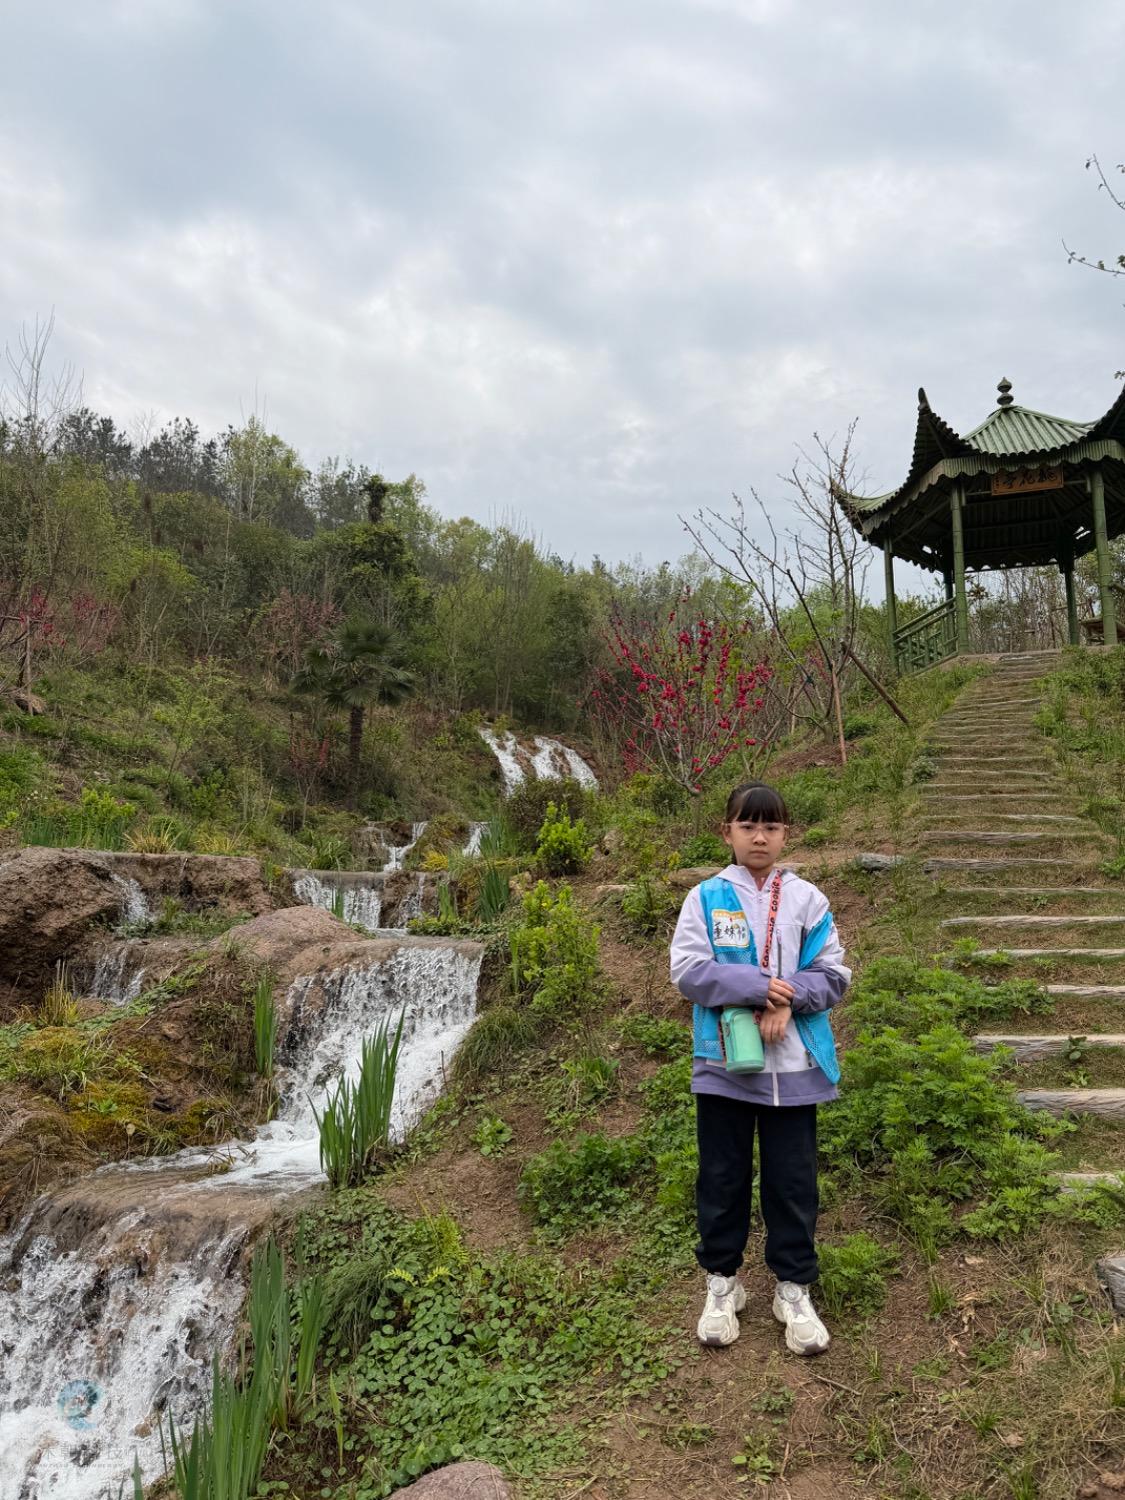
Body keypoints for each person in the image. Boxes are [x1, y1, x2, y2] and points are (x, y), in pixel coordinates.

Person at [670, 780, 850, 1355]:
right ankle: (723, 1284)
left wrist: (789, 998)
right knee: (721, 1178)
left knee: (792, 1183)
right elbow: (688, 970)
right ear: (726, 832)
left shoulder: (807, 900)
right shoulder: (704, 898)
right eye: (747, 826)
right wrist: (757, 989)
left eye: (771, 826)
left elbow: (835, 973)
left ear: (785, 835)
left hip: (794, 1067)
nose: (759, 837)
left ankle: (793, 1289)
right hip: (725, 1064)